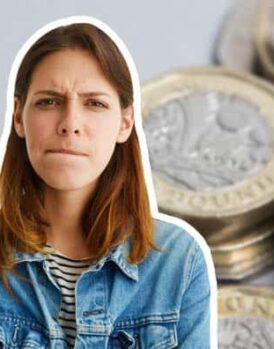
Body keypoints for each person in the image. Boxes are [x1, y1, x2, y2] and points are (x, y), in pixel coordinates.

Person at [0, 17, 214, 348]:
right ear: (18, 117)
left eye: (94, 104)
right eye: (48, 101)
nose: (70, 123)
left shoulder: (179, 262)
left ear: (125, 123)